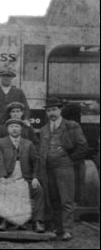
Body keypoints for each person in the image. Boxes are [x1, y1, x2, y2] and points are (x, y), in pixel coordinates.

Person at [39, 97, 89, 241]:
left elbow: (82, 146)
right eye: (48, 110)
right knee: (53, 199)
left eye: (54, 109)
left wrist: (70, 159)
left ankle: (68, 230)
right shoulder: (44, 129)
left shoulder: (71, 126)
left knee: (66, 200)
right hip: (48, 169)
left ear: (60, 110)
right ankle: (57, 228)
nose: (51, 113)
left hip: (65, 168)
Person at [0, 119, 45, 233]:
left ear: (21, 129)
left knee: (39, 190)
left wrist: (35, 177)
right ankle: (4, 220)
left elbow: (36, 161)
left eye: (17, 126)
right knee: (6, 188)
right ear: (8, 129)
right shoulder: (0, 143)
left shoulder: (28, 143)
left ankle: (38, 221)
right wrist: (2, 177)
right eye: (12, 126)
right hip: (8, 178)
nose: (14, 129)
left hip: (25, 179)